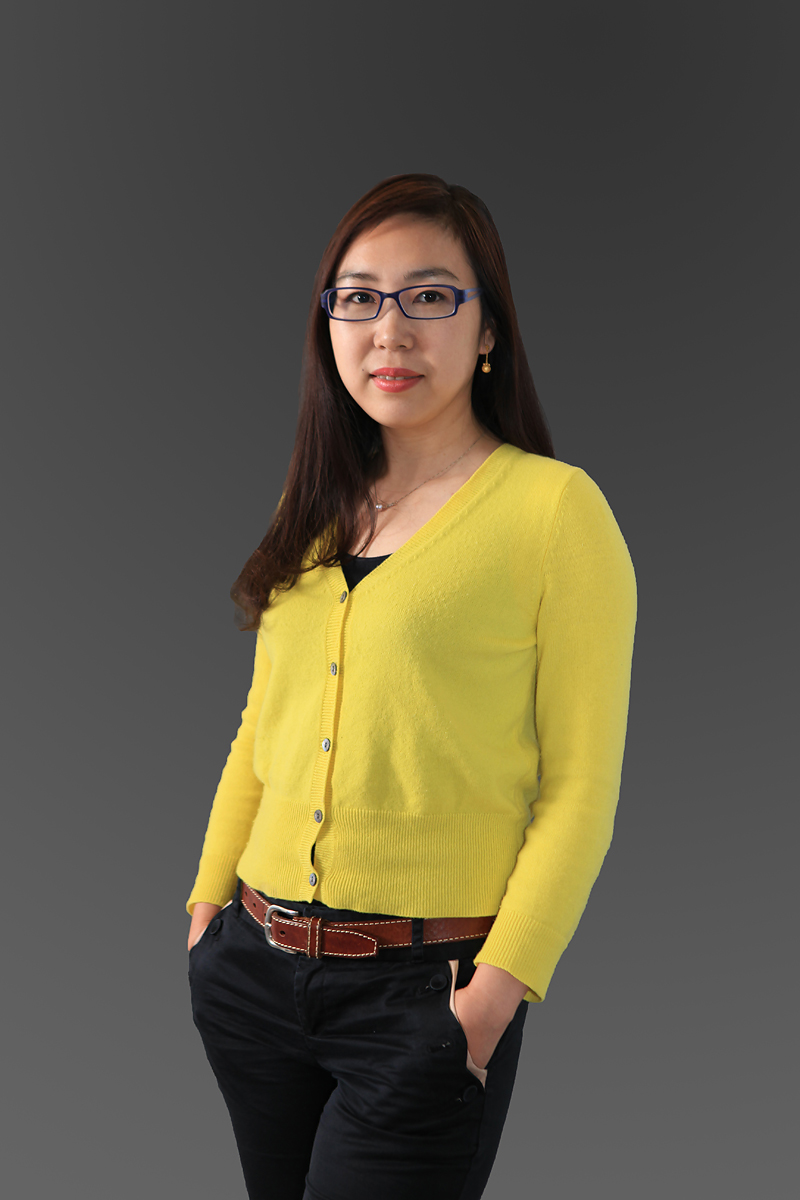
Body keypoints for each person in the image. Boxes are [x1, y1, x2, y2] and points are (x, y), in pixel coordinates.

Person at [186, 172, 637, 1200]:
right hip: (252, 972)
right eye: (358, 297)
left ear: (488, 330)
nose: (388, 329)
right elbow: (262, 727)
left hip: (425, 997)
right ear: (328, 325)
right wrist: (206, 910)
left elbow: (580, 791)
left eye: (429, 296)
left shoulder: (553, 513)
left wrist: (488, 1005)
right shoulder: (313, 503)